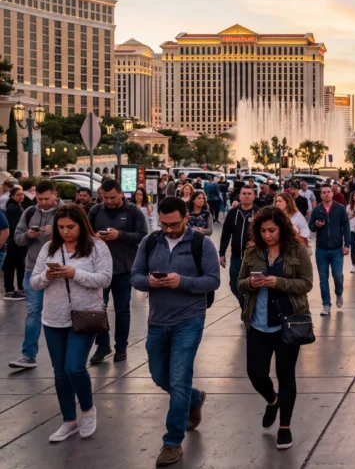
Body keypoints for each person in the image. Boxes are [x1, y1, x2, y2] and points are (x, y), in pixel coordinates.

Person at [130, 197, 221, 467]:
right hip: (157, 321)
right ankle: (195, 398)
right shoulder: (149, 242)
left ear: (185, 218)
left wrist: (182, 282)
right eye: (164, 224)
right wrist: (149, 281)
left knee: (179, 379)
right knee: (160, 376)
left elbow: (213, 280)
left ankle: (172, 442)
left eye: (174, 224)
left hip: (189, 320)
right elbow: (135, 276)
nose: (168, 230)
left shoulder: (201, 243)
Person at [31, 203, 112, 442]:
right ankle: (69, 420)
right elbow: (34, 282)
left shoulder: (97, 247)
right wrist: (48, 275)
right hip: (54, 317)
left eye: (70, 227)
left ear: (82, 225)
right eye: (61, 227)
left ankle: (87, 410)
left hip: (85, 315)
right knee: (59, 373)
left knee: (74, 367)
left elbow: (105, 279)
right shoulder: (49, 248)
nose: (65, 231)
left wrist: (74, 273)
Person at [237, 206, 314, 450]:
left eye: (272, 230)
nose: (268, 235)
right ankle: (272, 400)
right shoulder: (252, 251)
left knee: (286, 375)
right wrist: (250, 282)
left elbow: (307, 284)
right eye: (263, 231)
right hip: (258, 324)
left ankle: (285, 426)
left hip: (287, 324)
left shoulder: (297, 250)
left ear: (282, 227)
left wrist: (277, 282)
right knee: (256, 374)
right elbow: (239, 283)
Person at [87, 179, 148, 365]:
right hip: (99, 269)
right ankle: (103, 344)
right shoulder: (96, 211)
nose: (109, 201)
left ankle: (121, 347)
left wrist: (119, 235)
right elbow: (85, 234)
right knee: (98, 308)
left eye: (113, 197)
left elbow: (142, 236)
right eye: (105, 197)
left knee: (122, 310)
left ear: (121, 193)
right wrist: (94, 237)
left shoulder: (133, 212)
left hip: (123, 268)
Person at [9, 180, 61, 369]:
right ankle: (28, 355)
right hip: (33, 269)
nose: (43, 203)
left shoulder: (66, 211)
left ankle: (69, 354)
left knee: (66, 312)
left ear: (55, 194)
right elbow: (17, 238)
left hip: (60, 270)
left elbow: (79, 236)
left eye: (47, 198)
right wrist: (30, 235)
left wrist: (55, 232)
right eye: (39, 199)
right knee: (34, 311)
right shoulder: (30, 212)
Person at [308, 185, 350, 314]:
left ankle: (339, 292)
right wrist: (316, 225)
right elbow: (311, 227)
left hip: (337, 249)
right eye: (324, 192)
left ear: (332, 194)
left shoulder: (340, 208)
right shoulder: (317, 210)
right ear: (320, 195)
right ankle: (326, 304)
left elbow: (346, 227)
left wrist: (347, 244)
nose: (326, 194)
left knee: (338, 276)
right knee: (323, 278)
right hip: (321, 249)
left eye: (328, 192)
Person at [220, 186, 257, 310]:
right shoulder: (233, 213)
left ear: (253, 196)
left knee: (253, 284)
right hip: (237, 256)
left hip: (254, 257)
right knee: (234, 284)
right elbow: (225, 234)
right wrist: (222, 252)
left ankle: (250, 309)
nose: (246, 196)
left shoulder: (259, 213)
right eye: (244, 193)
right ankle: (245, 306)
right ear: (240, 196)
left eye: (249, 193)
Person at [4, 186, 26, 299]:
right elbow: (15, 226)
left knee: (16, 265)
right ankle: (12, 290)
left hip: (15, 241)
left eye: (22, 194)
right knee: (15, 265)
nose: (21, 196)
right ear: (12, 196)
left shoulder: (17, 206)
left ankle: (16, 289)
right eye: (18, 194)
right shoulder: (13, 208)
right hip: (15, 241)